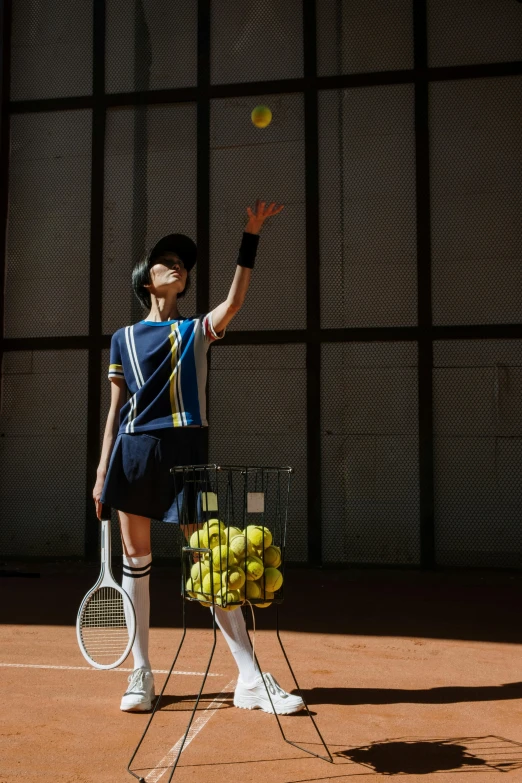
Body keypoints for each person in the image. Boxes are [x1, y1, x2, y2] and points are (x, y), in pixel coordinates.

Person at [92, 199, 304, 715]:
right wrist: (101, 475)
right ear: (148, 279)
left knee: (212, 561)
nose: (178, 266)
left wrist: (249, 237)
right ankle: (140, 674)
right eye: (168, 260)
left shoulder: (194, 333)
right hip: (134, 454)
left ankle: (251, 679)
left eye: (183, 263)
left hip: (187, 453)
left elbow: (232, 303)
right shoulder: (123, 339)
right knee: (135, 565)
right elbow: (117, 410)